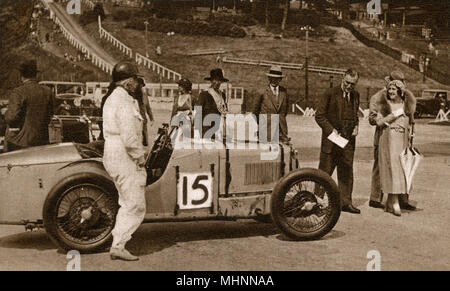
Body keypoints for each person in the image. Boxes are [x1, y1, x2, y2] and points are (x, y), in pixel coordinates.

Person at [102, 61, 147, 261]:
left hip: (114, 152)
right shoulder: (123, 101)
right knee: (135, 204)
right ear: (128, 82)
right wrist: (140, 157)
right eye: (135, 80)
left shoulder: (115, 98)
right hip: (123, 155)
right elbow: (129, 137)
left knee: (126, 201)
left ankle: (118, 243)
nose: (137, 84)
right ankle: (118, 245)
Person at [368, 70, 416, 210]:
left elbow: (410, 118)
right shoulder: (379, 97)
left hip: (401, 137)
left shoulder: (405, 96)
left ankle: (402, 198)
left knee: (402, 165)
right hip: (383, 136)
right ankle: (375, 197)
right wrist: (386, 118)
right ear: (389, 80)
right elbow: (373, 119)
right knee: (380, 165)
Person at [315, 69, 361, 214]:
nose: (349, 86)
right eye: (347, 83)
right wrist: (331, 131)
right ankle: (316, 203)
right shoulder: (330, 93)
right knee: (324, 173)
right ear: (343, 78)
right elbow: (319, 116)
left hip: (348, 142)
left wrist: (356, 126)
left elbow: (355, 115)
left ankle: (345, 202)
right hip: (331, 141)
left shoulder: (356, 95)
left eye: (353, 84)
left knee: (347, 172)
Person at [4, 60, 54, 152]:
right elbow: (50, 114)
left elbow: (11, 118)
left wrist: (5, 113)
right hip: (42, 139)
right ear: (35, 75)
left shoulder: (18, 92)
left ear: (21, 76)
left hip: (21, 142)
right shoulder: (48, 91)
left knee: (8, 135)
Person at [253, 65, 289, 144]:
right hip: (266, 131)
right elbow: (255, 112)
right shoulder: (261, 92)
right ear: (269, 78)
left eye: (277, 78)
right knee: (267, 154)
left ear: (280, 79)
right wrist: (263, 123)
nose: (274, 80)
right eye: (272, 77)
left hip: (281, 132)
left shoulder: (284, 92)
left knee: (282, 154)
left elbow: (285, 112)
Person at [195, 68, 228, 139]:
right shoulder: (204, 94)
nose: (217, 82)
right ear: (211, 81)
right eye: (215, 80)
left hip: (219, 127)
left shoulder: (223, 95)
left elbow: (224, 111)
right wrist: (198, 130)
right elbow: (198, 112)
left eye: (219, 80)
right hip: (206, 128)